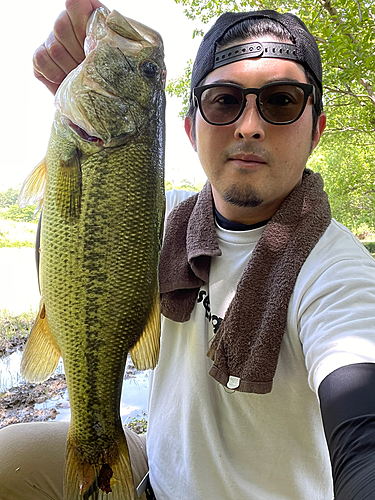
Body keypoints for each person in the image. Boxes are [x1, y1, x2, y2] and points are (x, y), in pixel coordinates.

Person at [1, 1, 375, 499]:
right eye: (223, 100)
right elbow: (76, 229)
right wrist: (76, 94)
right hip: (158, 468)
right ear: (189, 128)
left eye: (281, 101)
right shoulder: (158, 220)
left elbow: (362, 428)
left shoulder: (338, 273)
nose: (248, 126)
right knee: (9, 459)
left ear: (317, 130)